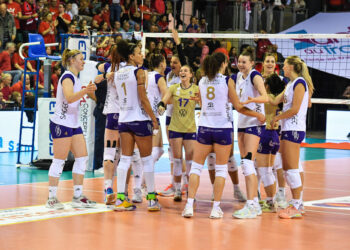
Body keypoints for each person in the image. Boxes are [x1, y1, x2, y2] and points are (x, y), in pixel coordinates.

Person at [182, 52, 264, 219]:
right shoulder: (228, 81)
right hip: (222, 130)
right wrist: (258, 115)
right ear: (223, 64)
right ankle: (215, 208)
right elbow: (239, 107)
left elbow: (203, 103)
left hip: (204, 128)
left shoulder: (201, 81)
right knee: (220, 169)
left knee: (196, 168)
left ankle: (189, 206)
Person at [46, 49, 97, 210]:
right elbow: (69, 97)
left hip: (73, 124)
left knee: (82, 157)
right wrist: (85, 91)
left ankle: (77, 196)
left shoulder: (75, 77)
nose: (83, 61)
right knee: (59, 160)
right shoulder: (67, 76)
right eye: (81, 59)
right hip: (61, 123)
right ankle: (52, 198)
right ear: (72, 61)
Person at [114, 40, 160, 211]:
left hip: (124, 119)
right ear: (131, 56)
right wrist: (153, 118)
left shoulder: (118, 73)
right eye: (139, 52)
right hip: (139, 119)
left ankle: (120, 199)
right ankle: (152, 199)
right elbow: (143, 97)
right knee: (146, 159)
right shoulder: (139, 72)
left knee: (125, 159)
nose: (142, 55)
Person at [270, 55, 314, 219]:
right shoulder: (289, 84)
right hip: (288, 128)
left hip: (294, 128)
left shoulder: (300, 83)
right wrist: (254, 97)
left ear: (292, 68)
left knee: (291, 168)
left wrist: (277, 118)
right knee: (289, 167)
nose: (283, 68)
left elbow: (295, 109)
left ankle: (296, 205)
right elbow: (274, 100)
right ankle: (298, 203)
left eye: (285, 66)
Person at [232, 46, 268, 219]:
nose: (240, 64)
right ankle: (254, 203)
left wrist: (254, 100)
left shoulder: (255, 75)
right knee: (247, 165)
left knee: (247, 163)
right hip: (242, 123)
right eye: (239, 61)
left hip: (254, 123)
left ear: (252, 63)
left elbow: (265, 97)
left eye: (244, 62)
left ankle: (252, 204)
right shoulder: (238, 76)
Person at [158, 64, 198, 201]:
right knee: (177, 160)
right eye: (181, 70)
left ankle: (188, 187)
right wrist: (161, 106)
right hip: (175, 127)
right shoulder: (174, 88)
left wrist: (201, 103)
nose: (182, 72)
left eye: (185, 70)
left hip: (190, 128)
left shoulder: (196, 89)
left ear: (191, 75)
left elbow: (204, 104)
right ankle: (176, 189)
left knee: (190, 161)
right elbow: (164, 99)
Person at [131, 53, 168, 203]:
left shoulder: (143, 74)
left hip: (137, 114)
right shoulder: (159, 77)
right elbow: (166, 95)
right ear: (162, 64)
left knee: (156, 150)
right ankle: (139, 189)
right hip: (151, 117)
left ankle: (142, 186)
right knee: (147, 155)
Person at [158, 30, 188, 197]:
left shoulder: (185, 76)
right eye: (172, 62)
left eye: (176, 62)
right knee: (173, 152)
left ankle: (186, 183)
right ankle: (176, 183)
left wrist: (178, 43)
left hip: (183, 118)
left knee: (185, 153)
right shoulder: (169, 75)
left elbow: (184, 61)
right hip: (170, 117)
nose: (173, 64)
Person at [255, 73, 285, 213]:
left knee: (264, 170)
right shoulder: (278, 99)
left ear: (266, 86)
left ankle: (270, 202)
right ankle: (271, 201)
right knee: (269, 170)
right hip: (275, 135)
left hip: (266, 134)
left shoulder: (267, 99)